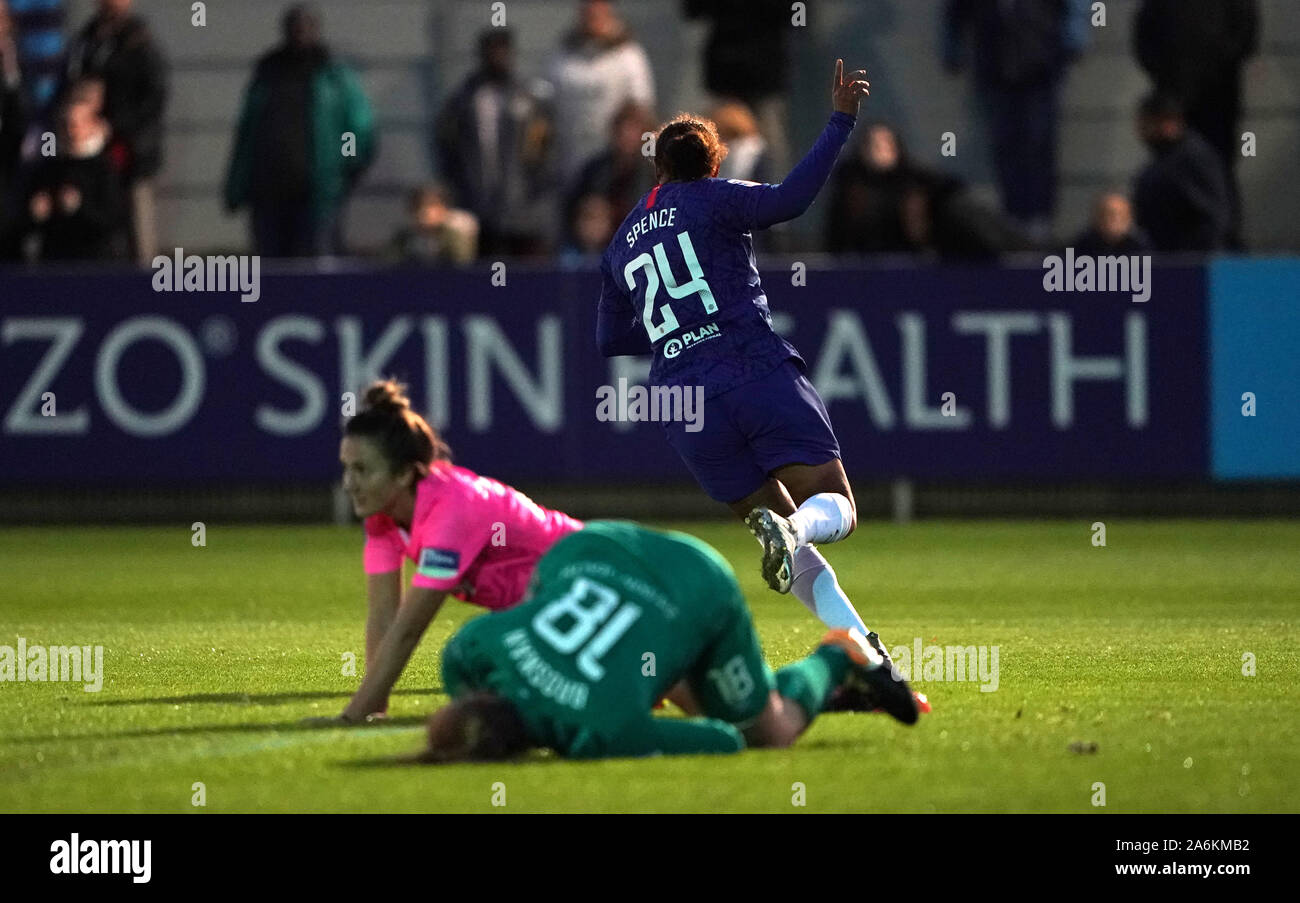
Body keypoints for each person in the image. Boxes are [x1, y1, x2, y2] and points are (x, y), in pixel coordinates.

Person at [596, 60, 898, 666]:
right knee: (834, 508)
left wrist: (674, 333)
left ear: (657, 166)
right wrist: (840, 121)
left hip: (680, 402)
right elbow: (792, 199)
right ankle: (798, 534)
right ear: (714, 162)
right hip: (750, 366)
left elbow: (608, 339)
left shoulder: (622, 238)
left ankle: (866, 653)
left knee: (786, 535)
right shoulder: (714, 199)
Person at [420, 521, 919, 762]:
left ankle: (840, 653)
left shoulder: (605, 733)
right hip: (590, 547)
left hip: (695, 583)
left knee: (766, 729)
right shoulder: (467, 652)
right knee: (641, 654)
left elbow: (725, 739)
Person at [328, 380, 583, 723]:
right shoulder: (381, 518)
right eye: (346, 468)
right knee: (481, 664)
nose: (349, 483)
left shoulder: (451, 513)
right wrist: (375, 704)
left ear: (404, 473)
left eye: (362, 470)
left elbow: (408, 630)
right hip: (542, 611)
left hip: (588, 575)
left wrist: (353, 715)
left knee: (477, 655)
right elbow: (383, 616)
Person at [224, 3, 374, 258]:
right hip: (267, 194)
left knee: (314, 266)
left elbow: (355, 127)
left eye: (306, 27)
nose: (300, 33)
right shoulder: (267, 74)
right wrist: (237, 183)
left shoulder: (334, 77)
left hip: (316, 193)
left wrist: (346, 163)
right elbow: (247, 134)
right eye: (295, 27)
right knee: (271, 272)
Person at [942, 0, 1090, 244]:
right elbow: (954, 11)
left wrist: (1074, 39)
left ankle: (1039, 217)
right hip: (994, 65)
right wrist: (952, 49)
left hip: (1041, 64)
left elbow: (1075, 5)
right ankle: (1013, 217)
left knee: (1039, 142)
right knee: (1004, 144)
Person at [1134, 0, 1258, 249]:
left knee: (1220, 165)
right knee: (1170, 169)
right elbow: (1144, 32)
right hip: (1174, 94)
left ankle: (1224, 237)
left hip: (1218, 96)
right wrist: (1164, 74)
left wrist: (1221, 64)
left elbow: (1246, 30)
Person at [60, 0, 166, 264]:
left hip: (129, 156)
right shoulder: (86, 41)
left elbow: (153, 98)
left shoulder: (139, 42)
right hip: (87, 157)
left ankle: (144, 297)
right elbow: (69, 86)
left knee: (137, 235)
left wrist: (112, 125)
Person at [435, 28, 552, 259]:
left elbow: (545, 152)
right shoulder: (463, 101)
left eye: (503, 50)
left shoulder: (530, 99)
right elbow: (447, 148)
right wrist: (459, 194)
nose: (498, 56)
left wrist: (534, 200)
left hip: (522, 215)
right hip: (476, 213)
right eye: (492, 50)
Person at [547, 0, 654, 191]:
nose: (592, 13)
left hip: (612, 164)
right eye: (588, 7)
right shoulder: (563, 56)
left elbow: (641, 111)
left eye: (598, 7)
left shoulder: (629, 56)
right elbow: (548, 107)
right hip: (569, 157)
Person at [23, 95, 129, 260]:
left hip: (95, 261)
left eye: (76, 125)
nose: (70, 131)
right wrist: (36, 212)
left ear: (91, 125)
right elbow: (28, 220)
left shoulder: (104, 168)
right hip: (55, 262)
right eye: (65, 125)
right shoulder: (50, 167)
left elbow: (113, 218)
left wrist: (80, 207)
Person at [1132, 93, 1230, 253]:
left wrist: (1190, 258)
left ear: (1167, 123)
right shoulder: (1163, 159)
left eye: (1145, 122)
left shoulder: (1192, 158)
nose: (1139, 129)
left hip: (1188, 262)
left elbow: (1211, 215)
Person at [386, 184, 478, 265]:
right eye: (418, 207)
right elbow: (389, 261)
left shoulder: (453, 236)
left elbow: (463, 262)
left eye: (431, 206)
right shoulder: (403, 237)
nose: (424, 212)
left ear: (444, 210)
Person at [1068, 191, 1151, 257]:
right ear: (1096, 217)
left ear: (1130, 218)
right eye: (1108, 214)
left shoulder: (1141, 248)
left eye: (1121, 215)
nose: (1115, 220)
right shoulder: (1081, 246)